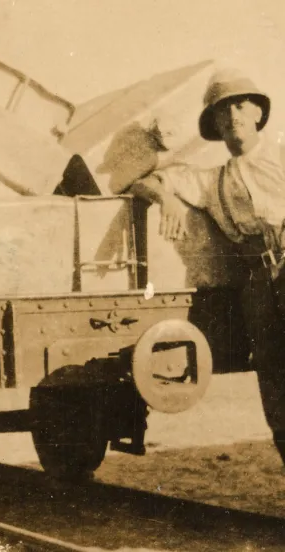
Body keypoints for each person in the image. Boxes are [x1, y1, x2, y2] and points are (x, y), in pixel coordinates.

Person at [129, 68, 285, 465]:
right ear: (215, 124)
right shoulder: (213, 180)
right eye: (222, 109)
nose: (232, 114)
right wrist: (168, 200)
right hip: (256, 282)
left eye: (240, 104)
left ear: (257, 113)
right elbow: (144, 182)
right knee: (272, 378)